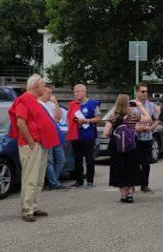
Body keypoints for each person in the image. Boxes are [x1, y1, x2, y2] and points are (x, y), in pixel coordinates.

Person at [9, 74, 61, 222]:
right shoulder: (24, 100)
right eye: (43, 85)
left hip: (40, 143)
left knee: (38, 179)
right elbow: (20, 122)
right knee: (30, 178)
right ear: (35, 86)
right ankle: (27, 209)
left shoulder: (34, 100)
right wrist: (31, 142)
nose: (45, 87)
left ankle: (33, 206)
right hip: (31, 144)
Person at [103, 94, 142, 203]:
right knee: (131, 168)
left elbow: (106, 133)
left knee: (119, 169)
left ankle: (123, 195)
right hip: (131, 146)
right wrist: (140, 106)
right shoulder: (134, 116)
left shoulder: (113, 117)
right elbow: (147, 119)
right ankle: (130, 194)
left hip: (117, 147)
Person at [66, 84, 100, 188]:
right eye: (74, 92)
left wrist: (86, 121)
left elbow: (98, 118)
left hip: (88, 136)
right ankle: (79, 181)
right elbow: (68, 118)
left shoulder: (93, 104)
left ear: (84, 92)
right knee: (77, 159)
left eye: (78, 91)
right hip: (76, 136)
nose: (76, 94)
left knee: (89, 159)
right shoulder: (72, 104)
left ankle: (90, 181)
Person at [133, 82, 160, 193]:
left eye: (146, 91)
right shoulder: (131, 104)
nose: (145, 93)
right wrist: (136, 128)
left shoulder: (150, 105)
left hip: (147, 138)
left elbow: (157, 120)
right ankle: (132, 184)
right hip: (134, 138)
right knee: (134, 162)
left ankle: (144, 185)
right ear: (136, 92)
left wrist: (151, 128)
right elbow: (126, 121)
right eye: (142, 91)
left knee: (146, 163)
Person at [40, 82, 67, 191]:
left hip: (55, 134)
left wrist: (56, 103)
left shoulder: (51, 104)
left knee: (61, 159)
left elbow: (58, 118)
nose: (50, 95)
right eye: (48, 93)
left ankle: (53, 181)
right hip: (46, 135)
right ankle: (54, 183)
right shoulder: (38, 103)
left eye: (51, 93)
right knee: (49, 161)